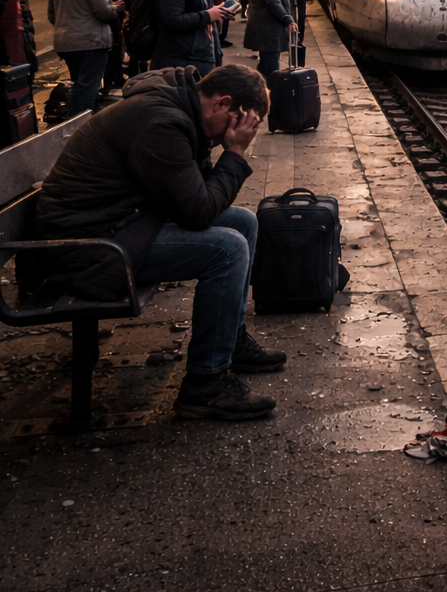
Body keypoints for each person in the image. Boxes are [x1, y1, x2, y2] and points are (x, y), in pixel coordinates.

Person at [29, 63, 284, 420]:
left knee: (243, 222)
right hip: (87, 248)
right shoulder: (161, 122)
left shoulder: (182, 111)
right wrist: (236, 153)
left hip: (120, 224)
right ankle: (204, 384)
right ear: (223, 103)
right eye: (237, 124)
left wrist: (222, 148)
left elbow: (199, 199)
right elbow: (197, 212)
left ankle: (230, 343)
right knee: (227, 249)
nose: (233, 134)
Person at [47, 0, 125, 117]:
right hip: (90, 42)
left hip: (65, 42)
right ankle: (79, 133)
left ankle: (78, 126)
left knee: (79, 87)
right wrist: (115, 9)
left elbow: (52, 14)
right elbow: (102, 11)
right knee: (86, 93)